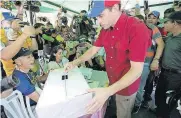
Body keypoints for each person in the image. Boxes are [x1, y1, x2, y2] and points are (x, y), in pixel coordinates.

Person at [64, 0, 151, 117]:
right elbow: (93, 50)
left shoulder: (137, 28)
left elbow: (136, 70)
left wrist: (107, 91)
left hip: (126, 85)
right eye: (96, 18)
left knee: (122, 113)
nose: (98, 21)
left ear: (115, 8)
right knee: (111, 109)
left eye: (101, 16)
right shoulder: (105, 29)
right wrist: (75, 62)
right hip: (110, 79)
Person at [155, 11, 181, 118]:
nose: (164, 25)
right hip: (164, 72)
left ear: (175, 23)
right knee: (159, 97)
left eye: (167, 22)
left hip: (176, 76)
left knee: (169, 101)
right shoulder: (170, 36)